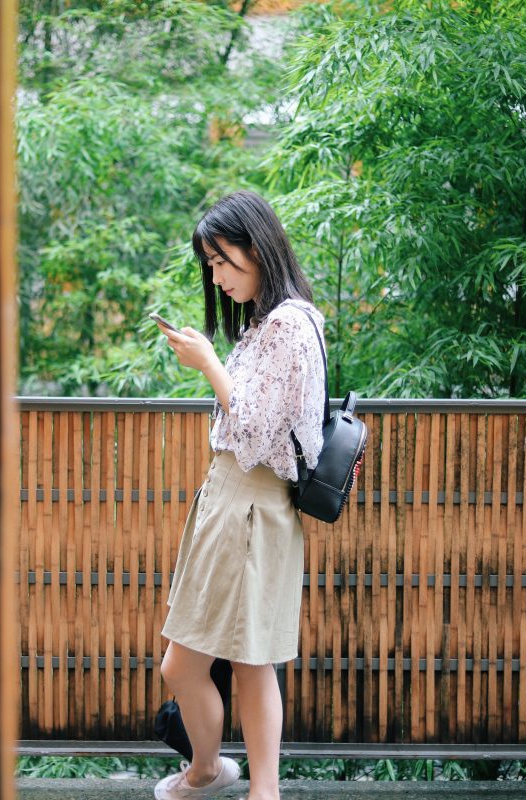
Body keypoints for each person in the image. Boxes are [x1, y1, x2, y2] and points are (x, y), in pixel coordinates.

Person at [152, 190, 326, 800]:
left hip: (249, 502)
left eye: (222, 260)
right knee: (238, 662)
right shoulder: (269, 324)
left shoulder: (287, 325)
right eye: (211, 265)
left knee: (216, 662)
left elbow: (254, 430)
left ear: (256, 247)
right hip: (236, 501)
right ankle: (234, 779)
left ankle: (229, 778)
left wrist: (207, 363)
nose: (217, 276)